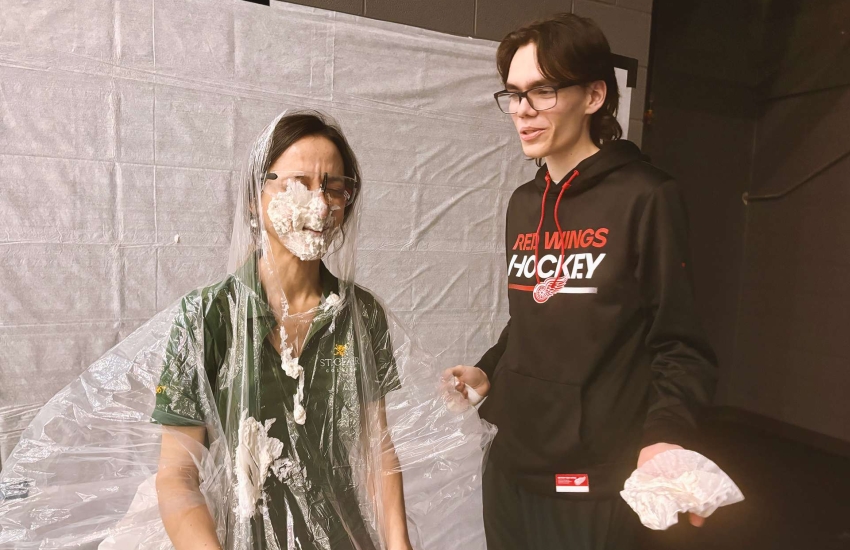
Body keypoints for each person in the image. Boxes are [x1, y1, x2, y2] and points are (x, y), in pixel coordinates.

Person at [446, 13, 718, 550]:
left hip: (588, 482)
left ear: (595, 95)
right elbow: (533, 316)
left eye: (542, 92)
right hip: (508, 467)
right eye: (514, 94)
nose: (523, 111)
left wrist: (666, 436)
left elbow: (680, 343)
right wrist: (488, 369)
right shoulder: (524, 204)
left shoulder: (646, 196)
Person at [152, 111, 413, 550]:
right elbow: (176, 474)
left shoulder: (361, 313)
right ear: (256, 197)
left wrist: (398, 544)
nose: (320, 203)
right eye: (298, 183)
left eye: (333, 187)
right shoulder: (207, 316)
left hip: (344, 537)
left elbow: (376, 452)